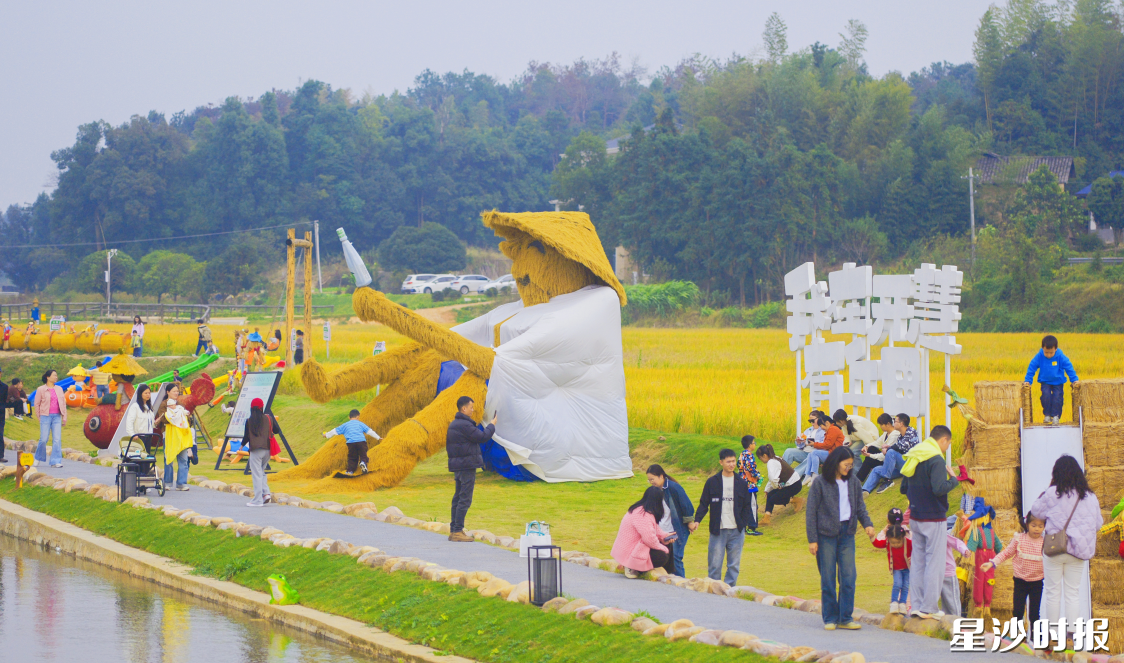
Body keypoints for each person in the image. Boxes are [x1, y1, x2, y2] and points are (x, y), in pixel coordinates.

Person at [1030, 455, 1102, 635]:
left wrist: (1048, 490)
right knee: (1073, 593)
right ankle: (1071, 636)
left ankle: (1053, 635)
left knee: (1053, 592)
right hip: (1078, 551)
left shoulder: (1052, 493)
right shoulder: (1091, 497)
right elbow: (1098, 524)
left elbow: (1036, 512)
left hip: (1055, 548)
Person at [805, 446, 875, 630]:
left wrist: (867, 524)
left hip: (847, 534)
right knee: (827, 578)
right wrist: (812, 539)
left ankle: (845, 617)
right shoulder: (820, 483)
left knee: (849, 577)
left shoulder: (853, 482)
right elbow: (811, 512)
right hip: (825, 536)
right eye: (846, 464)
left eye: (851, 465)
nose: (849, 468)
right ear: (836, 463)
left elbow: (860, 507)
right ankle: (829, 618)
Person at [899, 424, 959, 618]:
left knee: (918, 562)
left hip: (916, 517)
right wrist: (954, 480)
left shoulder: (915, 455)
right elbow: (939, 488)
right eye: (947, 444)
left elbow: (903, 488)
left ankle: (916, 605)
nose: (946, 448)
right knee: (935, 563)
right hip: (934, 518)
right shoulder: (936, 460)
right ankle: (930, 608)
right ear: (943, 440)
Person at [690, 448, 753, 586]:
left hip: (737, 530)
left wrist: (742, 524)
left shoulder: (741, 483)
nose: (731, 464)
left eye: (733, 461)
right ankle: (714, 591)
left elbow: (747, 506)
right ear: (721, 462)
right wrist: (697, 520)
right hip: (718, 530)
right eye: (728, 461)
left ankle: (729, 591)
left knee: (734, 565)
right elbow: (704, 503)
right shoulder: (712, 482)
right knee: (714, 565)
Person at [445, 396, 496, 542]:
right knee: (465, 499)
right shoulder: (465, 425)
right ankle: (457, 531)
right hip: (467, 465)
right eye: (471, 408)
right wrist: (492, 424)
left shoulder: (454, 424)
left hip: (459, 466)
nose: (473, 410)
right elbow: (482, 436)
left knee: (458, 497)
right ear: (464, 409)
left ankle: (454, 529)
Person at [981, 512, 1046, 625]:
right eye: (1033, 525)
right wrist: (992, 563)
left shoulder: (1045, 542)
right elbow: (1006, 553)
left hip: (1037, 583)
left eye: (1040, 526)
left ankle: (1037, 640)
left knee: (1034, 614)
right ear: (1027, 524)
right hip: (1020, 582)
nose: (1037, 529)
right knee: (1017, 613)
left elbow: (1052, 560)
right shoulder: (1019, 539)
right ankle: (1017, 638)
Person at [611, 485, 676, 579]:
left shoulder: (643, 509)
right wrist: (663, 548)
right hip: (631, 552)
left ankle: (667, 574)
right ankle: (631, 566)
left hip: (636, 546)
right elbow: (649, 539)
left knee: (668, 544)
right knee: (663, 556)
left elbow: (654, 528)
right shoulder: (642, 514)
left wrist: (665, 536)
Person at [645, 464, 694, 577]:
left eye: (652, 479)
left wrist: (690, 522)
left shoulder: (673, 487)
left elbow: (686, 505)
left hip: (676, 530)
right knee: (664, 558)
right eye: (649, 480)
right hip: (662, 531)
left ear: (661, 476)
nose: (651, 482)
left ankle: (682, 583)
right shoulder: (655, 491)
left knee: (676, 558)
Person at [1024, 335, 1080, 424]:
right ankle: (1047, 415)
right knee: (1045, 396)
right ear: (1042, 348)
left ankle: (1055, 416)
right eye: (1046, 352)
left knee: (1057, 398)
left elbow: (1069, 367)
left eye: (1051, 353)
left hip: (1058, 382)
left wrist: (1074, 380)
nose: (1049, 355)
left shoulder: (1060, 356)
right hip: (1045, 381)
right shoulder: (1039, 356)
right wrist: (1028, 380)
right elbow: (1032, 367)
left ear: (1056, 349)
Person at [863, 413, 920, 494]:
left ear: (901, 424)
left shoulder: (911, 432)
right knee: (876, 469)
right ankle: (864, 490)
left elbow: (902, 447)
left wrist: (888, 448)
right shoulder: (901, 434)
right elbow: (899, 447)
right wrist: (888, 447)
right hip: (902, 466)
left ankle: (887, 480)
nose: (893, 423)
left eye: (895, 421)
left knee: (891, 452)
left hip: (910, 465)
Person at [245, 398, 281, 507]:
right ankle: (266, 494)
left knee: (257, 475)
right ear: (262, 407)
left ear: (251, 408)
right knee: (261, 472)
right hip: (268, 450)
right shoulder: (269, 418)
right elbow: (277, 430)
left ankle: (257, 501)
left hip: (256, 451)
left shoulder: (249, 421)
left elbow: (246, 436)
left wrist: (242, 445)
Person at [756, 444, 804, 525]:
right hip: (794, 483)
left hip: (794, 485)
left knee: (773, 499)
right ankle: (766, 518)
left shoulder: (771, 462)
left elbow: (773, 479)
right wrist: (768, 490)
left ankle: (797, 500)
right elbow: (773, 478)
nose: (761, 460)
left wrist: (777, 487)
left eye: (760, 458)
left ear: (764, 455)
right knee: (770, 495)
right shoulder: (775, 458)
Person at [323, 409, 381, 475]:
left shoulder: (345, 425)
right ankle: (363, 462)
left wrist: (326, 435)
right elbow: (370, 431)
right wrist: (378, 437)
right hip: (361, 441)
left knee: (352, 457)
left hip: (351, 443)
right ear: (358, 417)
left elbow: (334, 431)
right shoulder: (360, 424)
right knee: (363, 454)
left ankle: (350, 471)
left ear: (349, 417)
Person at [155, 385, 192, 491]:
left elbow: (187, 418)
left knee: (184, 459)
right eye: (174, 391)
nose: (176, 393)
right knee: (169, 459)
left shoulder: (180, 405)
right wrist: (176, 417)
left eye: (177, 391)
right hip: (169, 435)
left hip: (181, 435)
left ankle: (181, 483)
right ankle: (167, 482)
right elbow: (164, 419)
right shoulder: (163, 404)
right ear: (168, 392)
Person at [872, 521, 912, 614]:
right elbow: (877, 544)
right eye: (893, 543)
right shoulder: (888, 543)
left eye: (898, 542)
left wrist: (913, 557)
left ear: (902, 537)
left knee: (905, 586)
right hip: (896, 568)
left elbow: (918, 549)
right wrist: (872, 537)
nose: (895, 545)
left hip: (907, 569)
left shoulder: (909, 542)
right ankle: (894, 603)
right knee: (897, 584)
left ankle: (902, 604)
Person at [33, 370, 67, 467]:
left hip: (57, 417)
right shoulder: (40, 389)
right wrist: (39, 416)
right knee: (43, 439)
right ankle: (38, 458)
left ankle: (55, 461)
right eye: (54, 375)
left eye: (56, 375)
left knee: (57, 439)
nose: (56, 377)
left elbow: (63, 403)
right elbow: (37, 404)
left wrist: (64, 416)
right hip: (45, 416)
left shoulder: (59, 389)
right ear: (48, 377)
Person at [798, 415, 845, 484]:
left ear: (827, 423)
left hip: (834, 454)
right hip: (831, 452)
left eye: (821, 426)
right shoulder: (831, 429)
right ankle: (808, 475)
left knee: (814, 453)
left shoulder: (833, 429)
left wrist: (814, 444)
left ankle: (814, 475)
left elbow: (827, 444)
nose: (821, 428)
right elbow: (827, 445)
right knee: (811, 454)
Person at [857, 413, 898, 483]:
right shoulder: (886, 433)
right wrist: (866, 446)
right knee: (871, 448)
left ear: (888, 424)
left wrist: (870, 455)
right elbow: (877, 443)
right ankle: (859, 478)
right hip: (884, 458)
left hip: (890, 462)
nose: (880, 427)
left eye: (881, 425)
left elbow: (886, 455)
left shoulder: (895, 435)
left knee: (869, 460)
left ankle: (858, 480)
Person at [942, 520, 971, 618]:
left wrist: (965, 550)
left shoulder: (943, 535)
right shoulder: (926, 537)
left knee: (953, 601)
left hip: (948, 572)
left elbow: (957, 543)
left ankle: (958, 622)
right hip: (934, 573)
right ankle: (946, 623)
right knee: (944, 601)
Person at [737, 435, 763, 537]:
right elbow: (751, 469)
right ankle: (752, 527)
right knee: (752, 506)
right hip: (750, 485)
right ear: (749, 445)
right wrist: (759, 476)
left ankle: (743, 527)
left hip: (742, 484)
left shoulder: (741, 454)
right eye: (753, 443)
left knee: (744, 506)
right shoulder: (749, 455)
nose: (755, 444)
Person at [0, 367, 25, 463]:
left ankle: (0, 455)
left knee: (0, 435)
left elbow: (5, 400)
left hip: (0, 414)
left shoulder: (4, 386)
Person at [122, 383, 155, 450]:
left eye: (149, 393)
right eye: (146, 393)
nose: (148, 395)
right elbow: (129, 422)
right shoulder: (135, 407)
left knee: (147, 456)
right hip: (139, 436)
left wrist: (155, 423)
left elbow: (149, 423)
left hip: (149, 436)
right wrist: (132, 434)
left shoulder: (149, 408)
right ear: (140, 394)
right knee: (139, 456)